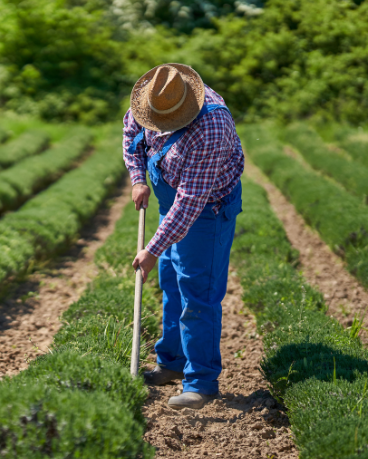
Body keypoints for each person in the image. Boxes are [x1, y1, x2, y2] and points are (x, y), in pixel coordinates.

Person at [123, 63, 244, 410]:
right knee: (171, 283)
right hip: (168, 197)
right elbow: (131, 137)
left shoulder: (211, 125)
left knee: (198, 292)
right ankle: (172, 362)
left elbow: (191, 202)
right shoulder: (151, 99)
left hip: (206, 210)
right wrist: (137, 179)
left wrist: (152, 249)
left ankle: (201, 382)